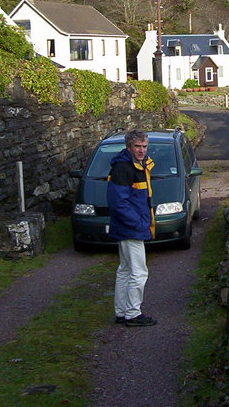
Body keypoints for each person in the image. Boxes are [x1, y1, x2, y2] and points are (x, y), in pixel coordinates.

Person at [106, 129, 158, 327]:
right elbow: (117, 202)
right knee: (139, 271)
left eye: (144, 146)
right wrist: (138, 223)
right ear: (129, 147)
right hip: (130, 227)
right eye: (137, 146)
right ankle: (133, 313)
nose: (141, 150)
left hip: (129, 225)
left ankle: (122, 311)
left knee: (126, 270)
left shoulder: (138, 166)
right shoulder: (123, 168)